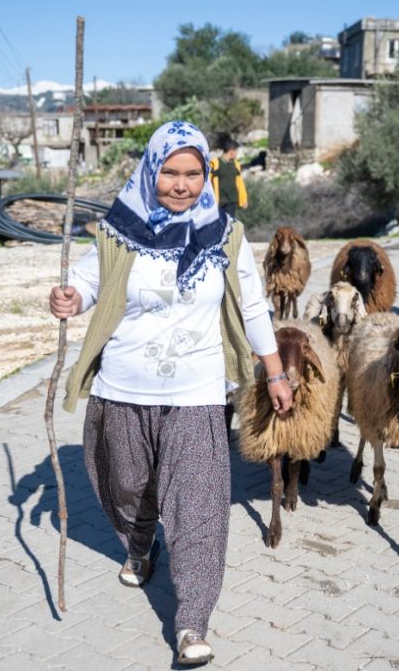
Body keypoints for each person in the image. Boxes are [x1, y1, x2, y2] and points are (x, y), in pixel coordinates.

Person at [48, 121, 292, 665]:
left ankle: (192, 623)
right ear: (150, 169)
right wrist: (69, 297)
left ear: (208, 175)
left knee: (198, 506)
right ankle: (139, 545)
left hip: (198, 393)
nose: (182, 185)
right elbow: (90, 283)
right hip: (122, 387)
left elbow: (253, 307)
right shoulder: (119, 229)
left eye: (194, 173)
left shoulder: (225, 233)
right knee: (125, 485)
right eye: (170, 172)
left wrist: (274, 372)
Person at [209, 138, 248, 218]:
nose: (237, 153)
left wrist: (244, 199)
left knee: (230, 225)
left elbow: (240, 183)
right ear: (231, 151)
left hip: (231, 201)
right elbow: (208, 182)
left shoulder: (236, 165)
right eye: (236, 151)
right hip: (218, 202)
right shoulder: (215, 163)